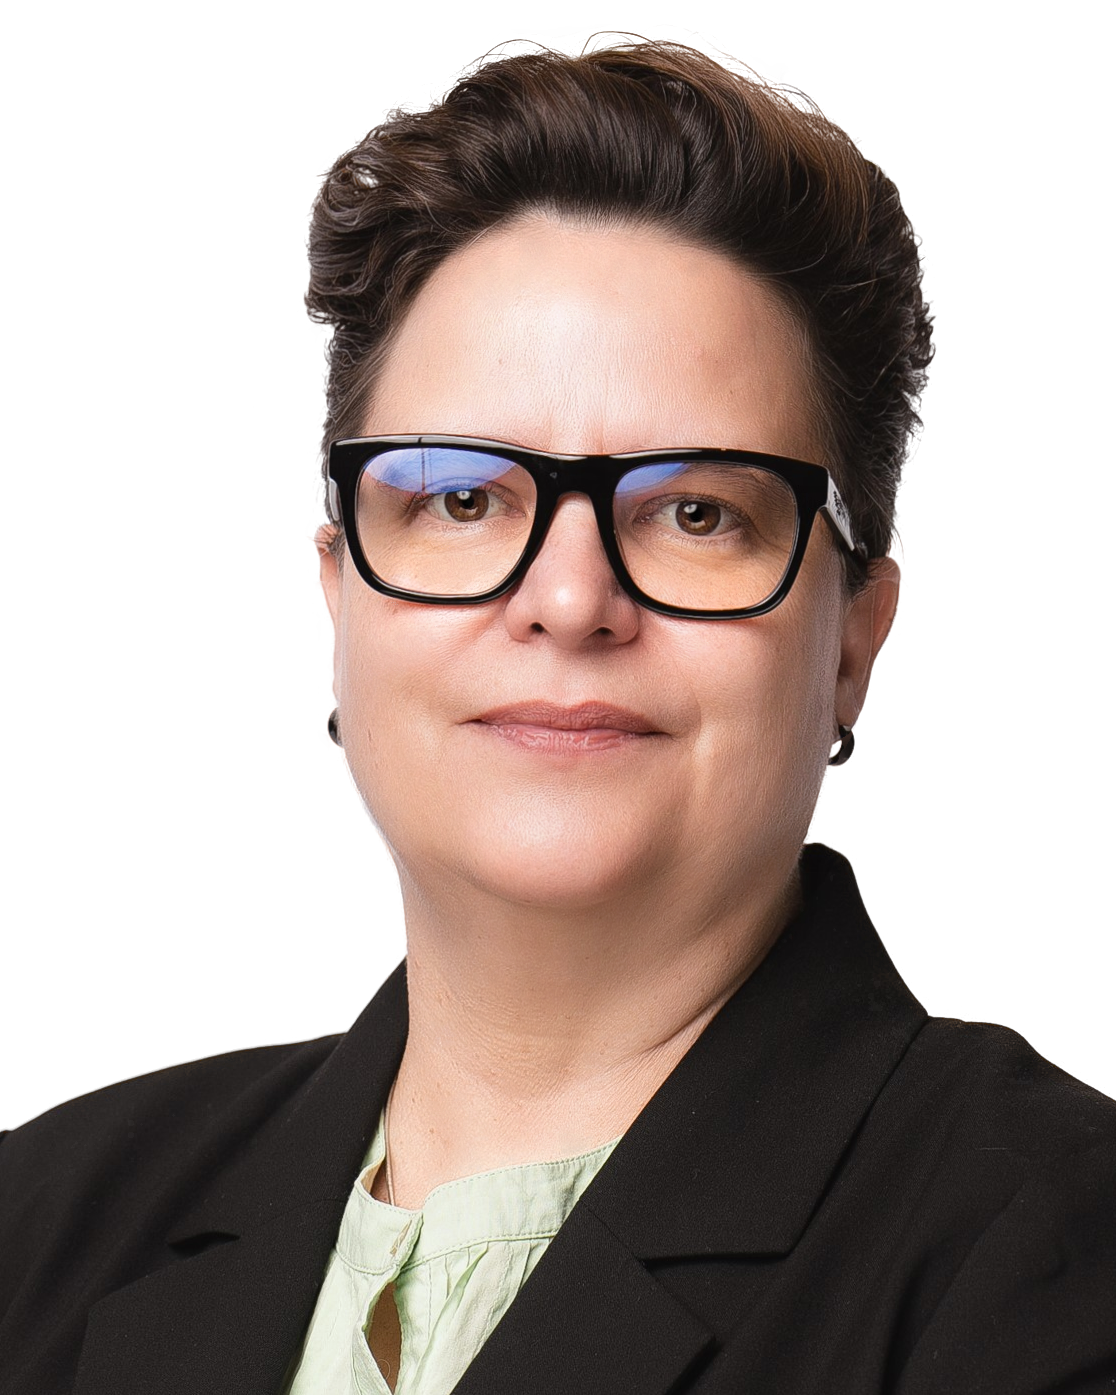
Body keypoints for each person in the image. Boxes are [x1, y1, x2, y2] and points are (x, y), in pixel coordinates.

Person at [2, 26, 1114, 1395]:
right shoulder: (36, 1216)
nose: (570, 599)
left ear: (864, 636)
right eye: (462, 497)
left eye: (697, 511)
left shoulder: (1059, 1246)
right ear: (335, 601)